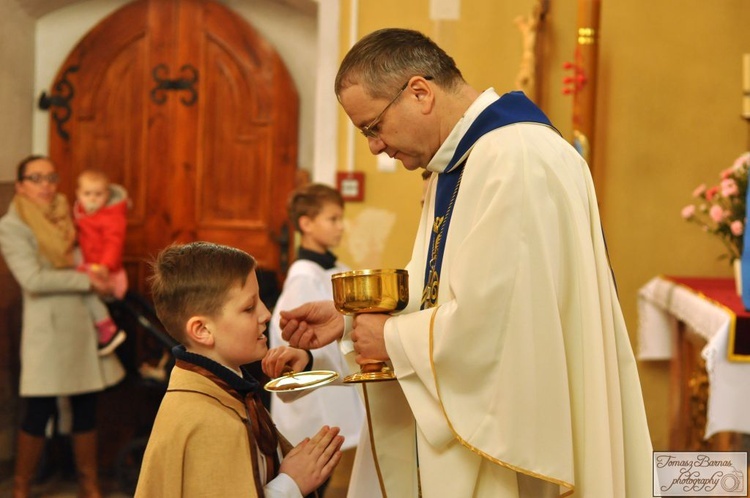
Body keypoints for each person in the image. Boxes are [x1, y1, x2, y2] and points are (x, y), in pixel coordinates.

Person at [274, 28, 653, 497]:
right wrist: (351, 320)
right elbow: (441, 286)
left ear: (419, 92)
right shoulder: (459, 162)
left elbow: (503, 323)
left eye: (372, 127)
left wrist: (390, 337)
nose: (374, 146)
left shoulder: (513, 157)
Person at [135, 241, 345, 498]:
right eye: (249, 307)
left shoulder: (225, 392)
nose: (266, 314)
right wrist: (292, 483)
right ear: (202, 330)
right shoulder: (209, 421)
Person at [0, 155, 126, 498]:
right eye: (36, 178)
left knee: (86, 404)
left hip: (82, 323)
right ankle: (21, 486)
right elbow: (33, 279)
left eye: (50, 177)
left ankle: (89, 483)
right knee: (39, 409)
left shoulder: (68, 212)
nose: (45, 184)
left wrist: (102, 272)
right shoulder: (12, 226)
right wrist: (87, 282)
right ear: (21, 184)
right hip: (48, 329)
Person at [268, 184, 367, 497]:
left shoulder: (338, 270)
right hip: (315, 406)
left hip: (340, 395)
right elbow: (302, 342)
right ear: (306, 224)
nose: (340, 227)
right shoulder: (303, 279)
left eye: (341, 219)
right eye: (332, 219)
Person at [73, 169, 129, 355]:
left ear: (107, 194)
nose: (93, 199)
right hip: (88, 263)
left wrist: (106, 265)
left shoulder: (112, 216)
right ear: (78, 194)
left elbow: (114, 242)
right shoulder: (81, 213)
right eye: (87, 194)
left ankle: (107, 327)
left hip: (105, 269)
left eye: (98, 194)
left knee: (88, 292)